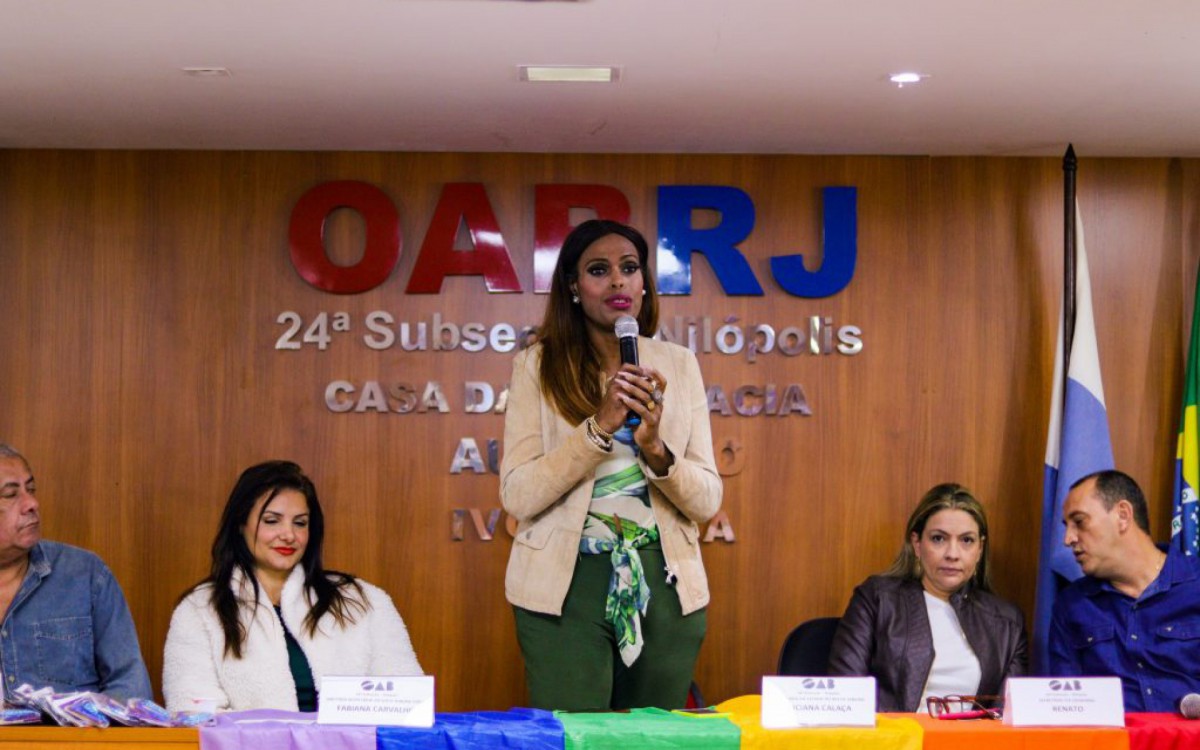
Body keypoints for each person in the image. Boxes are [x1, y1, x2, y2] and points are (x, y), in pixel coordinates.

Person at [500, 219, 722, 711]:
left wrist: (656, 450)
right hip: (565, 585)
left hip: (664, 585)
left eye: (629, 268)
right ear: (574, 288)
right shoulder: (537, 367)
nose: (618, 281)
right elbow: (518, 494)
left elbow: (706, 499)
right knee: (580, 740)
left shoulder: (679, 365)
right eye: (599, 270)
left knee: (650, 743)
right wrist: (599, 427)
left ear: (644, 284)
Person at [162, 460, 422, 712]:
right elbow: (193, 716)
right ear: (241, 524)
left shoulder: (364, 601)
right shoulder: (199, 610)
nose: (288, 535)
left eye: (300, 523)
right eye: (272, 521)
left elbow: (406, 704)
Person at [828, 483, 1028, 712]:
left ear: (980, 549)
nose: (952, 554)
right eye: (938, 539)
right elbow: (845, 699)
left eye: (966, 540)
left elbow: (1006, 720)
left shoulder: (1007, 623)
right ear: (917, 544)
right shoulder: (877, 599)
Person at [0, 444, 152, 701]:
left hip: (72, 741)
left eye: (31, 489)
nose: (32, 503)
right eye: (11, 494)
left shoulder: (86, 575)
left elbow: (132, 692)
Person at [1049, 469, 1200, 712]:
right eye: (1067, 526)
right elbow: (1064, 709)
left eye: (1079, 522)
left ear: (1123, 515)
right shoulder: (1072, 606)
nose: (1068, 539)